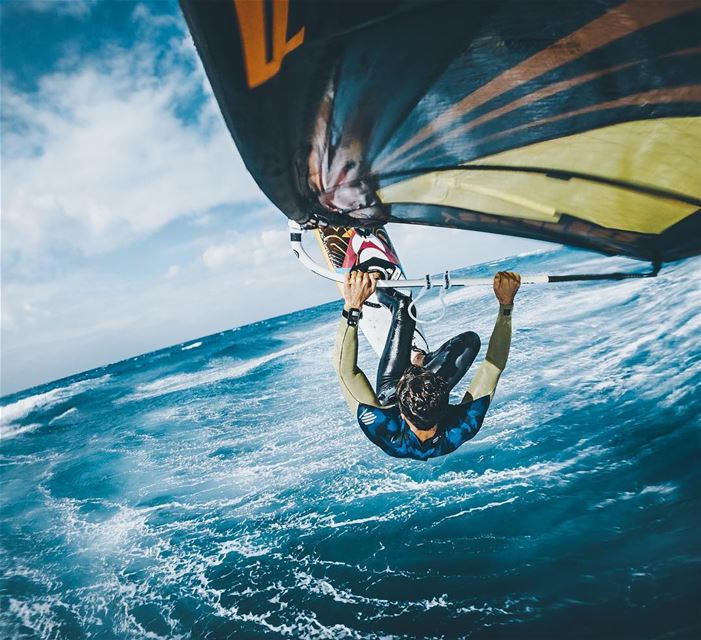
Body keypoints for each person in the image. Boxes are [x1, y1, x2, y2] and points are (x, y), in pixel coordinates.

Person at [333, 270, 521, 460]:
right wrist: (506, 305)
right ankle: (422, 358)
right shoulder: (460, 428)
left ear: (403, 416)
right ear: (445, 394)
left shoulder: (385, 430)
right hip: (425, 390)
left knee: (404, 307)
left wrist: (353, 306)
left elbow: (346, 371)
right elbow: (492, 365)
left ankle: (381, 290)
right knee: (470, 341)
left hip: (389, 388)